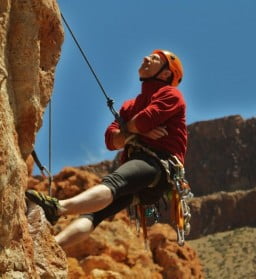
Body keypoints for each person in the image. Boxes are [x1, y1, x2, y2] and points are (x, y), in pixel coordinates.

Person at [26, 49, 187, 249]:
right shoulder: (130, 106)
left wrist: (131, 130)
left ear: (165, 74)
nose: (145, 58)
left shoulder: (170, 94)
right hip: (145, 171)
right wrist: (137, 132)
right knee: (94, 214)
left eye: (155, 59)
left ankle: (57, 208)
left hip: (157, 165)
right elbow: (111, 140)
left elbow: (144, 121)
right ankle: (53, 247)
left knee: (113, 182)